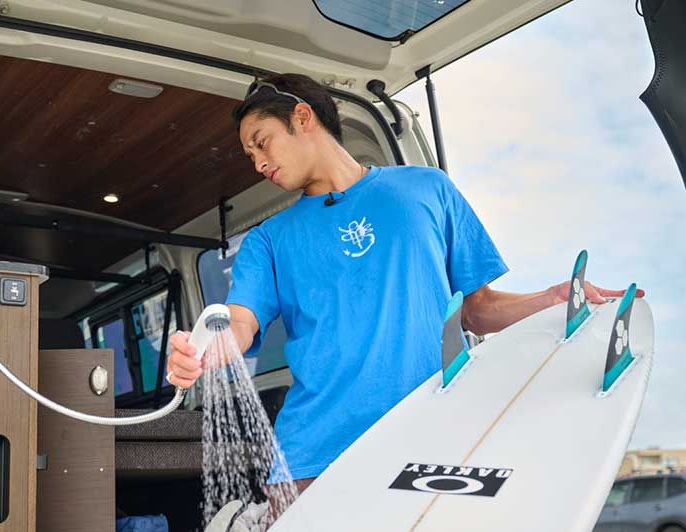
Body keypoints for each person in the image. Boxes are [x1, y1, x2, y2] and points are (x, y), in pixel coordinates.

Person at [167, 73, 641, 495]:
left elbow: (478, 310)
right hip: (316, 457)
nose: (257, 163)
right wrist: (206, 346)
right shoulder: (268, 240)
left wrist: (553, 299)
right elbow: (241, 323)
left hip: (436, 439)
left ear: (303, 118)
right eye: (250, 154)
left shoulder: (428, 189)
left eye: (261, 142)